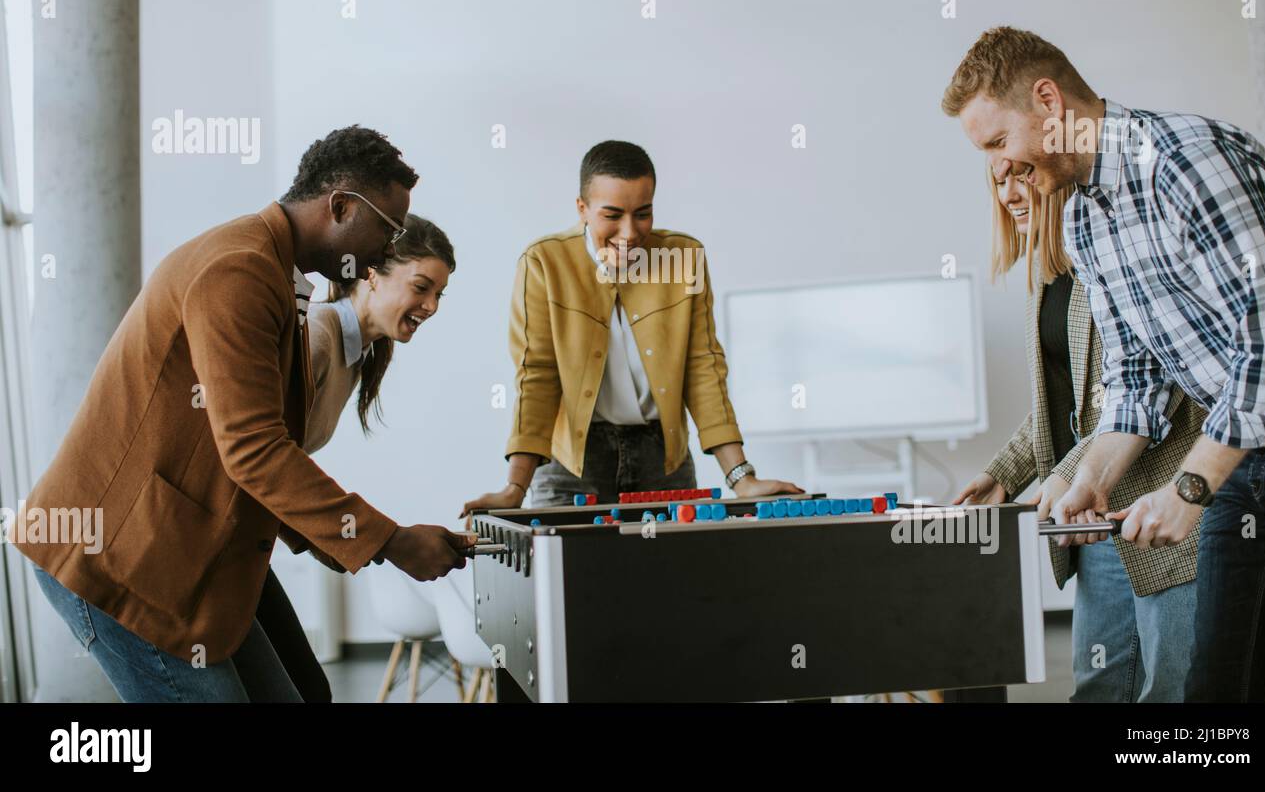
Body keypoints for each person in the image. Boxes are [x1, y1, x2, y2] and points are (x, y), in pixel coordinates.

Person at [10, 126, 473, 702]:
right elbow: (255, 451)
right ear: (341, 207)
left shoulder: (274, 272)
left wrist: (365, 543)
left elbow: (250, 450)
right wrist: (393, 543)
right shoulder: (240, 269)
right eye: (389, 227)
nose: (388, 246)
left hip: (180, 547)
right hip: (120, 556)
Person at [945, 25, 1265, 702]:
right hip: (1246, 456)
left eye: (998, 142)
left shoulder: (1186, 163)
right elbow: (1135, 381)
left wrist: (1190, 488)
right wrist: (1093, 478)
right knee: (1214, 692)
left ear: (1048, 100)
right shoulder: (1084, 220)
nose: (999, 170)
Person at [954, 167, 1204, 701]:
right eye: (998, 183)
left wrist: (1066, 475)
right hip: (1096, 516)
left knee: (1174, 696)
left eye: (1020, 176)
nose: (1010, 195)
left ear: (1059, 172)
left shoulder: (1118, 263)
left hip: (1166, 516)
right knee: (1098, 689)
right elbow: (1067, 404)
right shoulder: (1046, 277)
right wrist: (1004, 474)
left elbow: (1144, 392)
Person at [461, 140, 800, 514]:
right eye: (612, 215)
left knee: (670, 572)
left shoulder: (683, 257)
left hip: (663, 461)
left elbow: (703, 368)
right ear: (582, 208)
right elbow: (537, 374)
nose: (630, 232)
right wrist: (514, 487)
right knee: (573, 573)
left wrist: (741, 477)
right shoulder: (543, 262)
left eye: (643, 213)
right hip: (571, 466)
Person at [254, 214, 456, 703]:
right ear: (371, 273)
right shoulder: (320, 335)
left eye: (439, 296)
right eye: (421, 287)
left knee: (308, 691)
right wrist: (378, 542)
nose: (429, 306)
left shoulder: (356, 354)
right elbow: (263, 459)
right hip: (224, 547)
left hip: (248, 546)